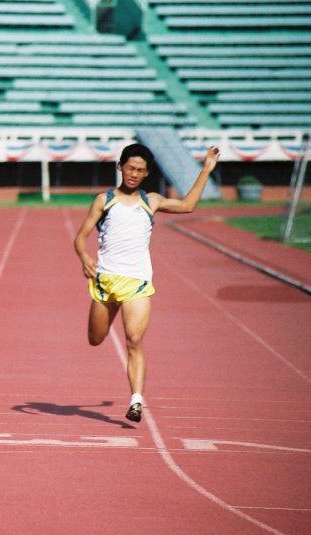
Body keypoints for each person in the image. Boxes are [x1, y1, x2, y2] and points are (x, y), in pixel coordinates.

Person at [73, 143, 220, 423]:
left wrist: (206, 169)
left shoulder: (151, 201)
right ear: (120, 167)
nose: (134, 174)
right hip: (105, 282)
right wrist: (84, 256)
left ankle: (136, 401)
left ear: (147, 173)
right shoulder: (104, 200)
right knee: (95, 339)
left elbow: (188, 205)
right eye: (130, 168)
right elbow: (81, 236)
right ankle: (134, 396)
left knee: (134, 340)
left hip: (137, 283)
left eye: (140, 170)